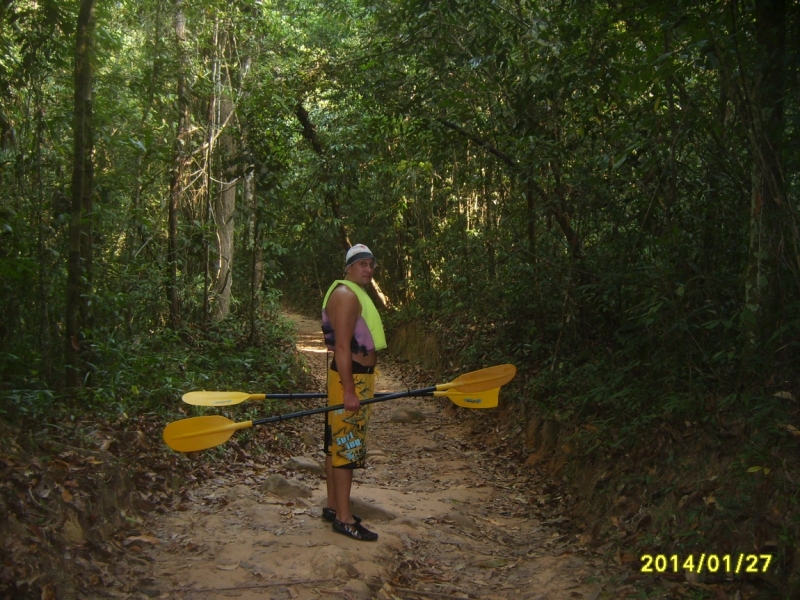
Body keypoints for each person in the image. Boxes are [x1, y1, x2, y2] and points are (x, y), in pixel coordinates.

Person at [320, 244, 386, 541]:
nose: (368, 269)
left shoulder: (346, 292)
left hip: (345, 378)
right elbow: (343, 346)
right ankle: (345, 519)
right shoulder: (346, 296)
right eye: (361, 264)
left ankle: (334, 506)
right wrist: (350, 391)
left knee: (334, 443)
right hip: (352, 379)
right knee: (346, 444)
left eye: (371, 264)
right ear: (347, 268)